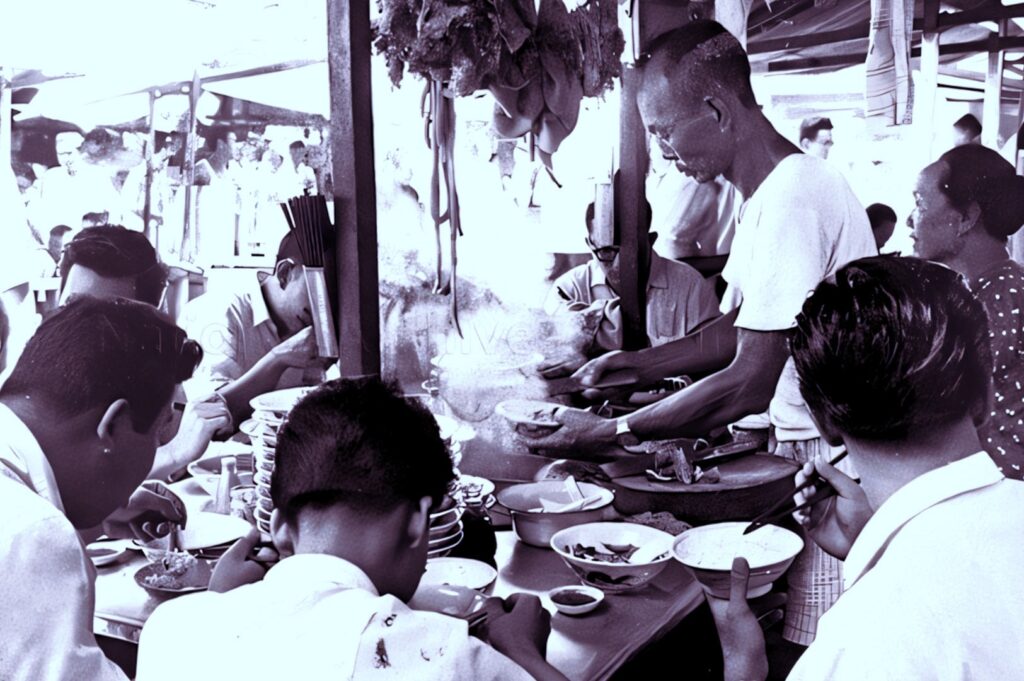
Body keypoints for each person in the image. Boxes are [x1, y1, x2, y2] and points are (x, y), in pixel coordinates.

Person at [521, 20, 876, 645]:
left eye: (662, 131)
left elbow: (749, 379)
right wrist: (627, 367)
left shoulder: (793, 196)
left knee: (813, 643)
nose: (662, 151)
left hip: (828, 462)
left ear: (714, 109)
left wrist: (608, 432)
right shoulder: (768, 193)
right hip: (805, 455)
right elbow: (733, 334)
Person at [708, 256, 1024, 681]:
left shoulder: (855, 645)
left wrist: (743, 666)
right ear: (986, 396)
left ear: (823, 422)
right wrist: (872, 547)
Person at [137, 378, 568, 681]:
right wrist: (522, 654)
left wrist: (216, 603)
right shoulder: (448, 658)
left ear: (278, 528)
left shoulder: (169, 630)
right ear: (418, 522)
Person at [0, 297, 202, 680]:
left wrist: (93, 522)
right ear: (113, 425)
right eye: (160, 432)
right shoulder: (32, 533)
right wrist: (210, 617)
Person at [58, 225, 231, 481]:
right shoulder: (38, 382)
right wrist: (174, 453)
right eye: (72, 305)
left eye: (107, 319)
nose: (80, 328)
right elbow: (64, 484)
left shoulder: (146, 367)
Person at [909, 143, 1024, 479]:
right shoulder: (992, 288)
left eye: (920, 203)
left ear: (966, 218)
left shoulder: (998, 298)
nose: (910, 218)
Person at [544, 193, 719, 354]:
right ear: (590, 245)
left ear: (650, 241)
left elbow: (710, 355)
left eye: (632, 251)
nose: (620, 265)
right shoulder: (568, 290)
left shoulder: (689, 286)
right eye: (606, 251)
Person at [179, 230, 323, 424]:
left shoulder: (301, 321)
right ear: (284, 274)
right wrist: (279, 359)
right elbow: (211, 417)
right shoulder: (219, 311)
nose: (323, 308)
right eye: (317, 290)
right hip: (221, 452)